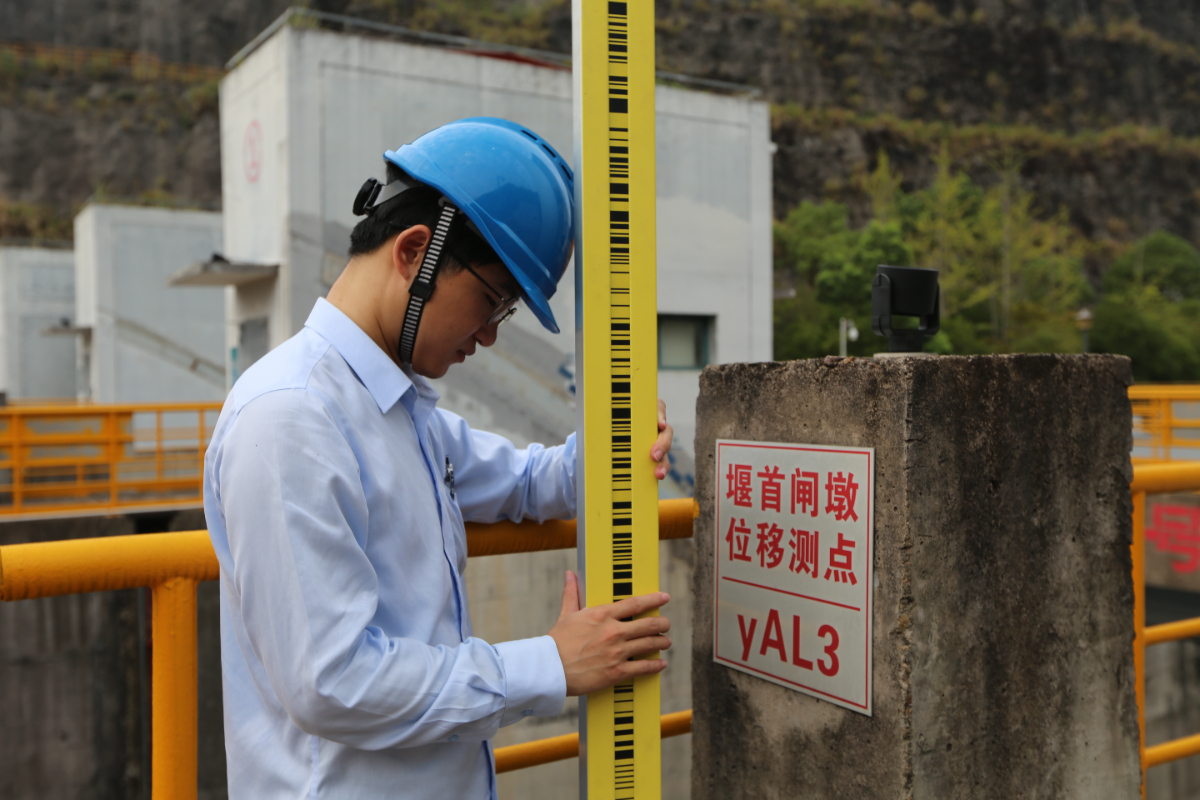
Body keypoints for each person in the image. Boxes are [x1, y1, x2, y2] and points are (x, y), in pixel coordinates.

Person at [203, 117, 675, 799]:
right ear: (414, 252)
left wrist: (617, 447)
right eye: (491, 301)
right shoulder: (291, 417)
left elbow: (528, 482)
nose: (489, 335)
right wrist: (548, 663)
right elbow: (333, 682)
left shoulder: (401, 410)